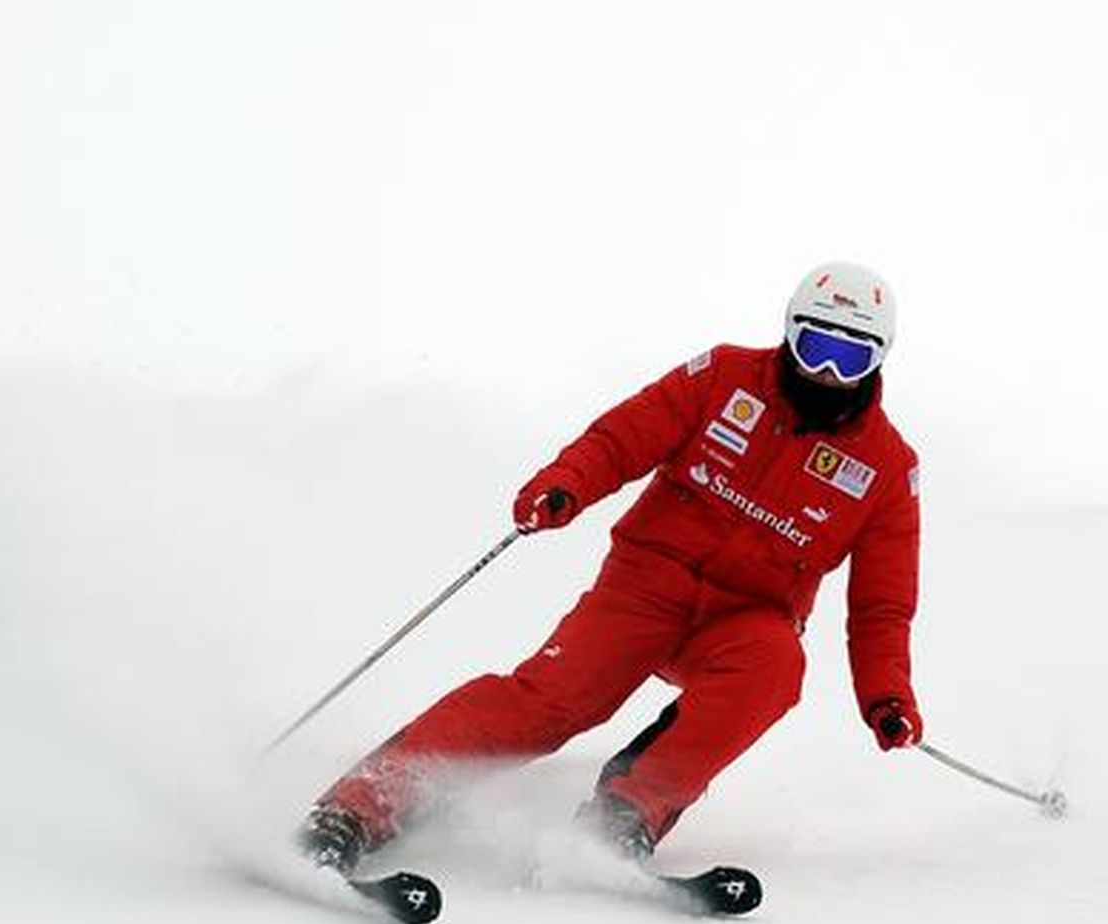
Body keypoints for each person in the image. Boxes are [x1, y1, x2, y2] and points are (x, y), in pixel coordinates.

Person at [300, 262, 923, 873]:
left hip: (744, 618)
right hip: (645, 588)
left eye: (850, 358)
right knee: (551, 703)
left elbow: (882, 607)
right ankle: (358, 809)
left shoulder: (887, 469)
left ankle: (624, 817)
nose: (826, 372)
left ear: (879, 359)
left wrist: (886, 697)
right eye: (815, 347)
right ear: (789, 330)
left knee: (777, 664)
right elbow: (624, 437)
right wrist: (566, 484)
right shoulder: (724, 376)